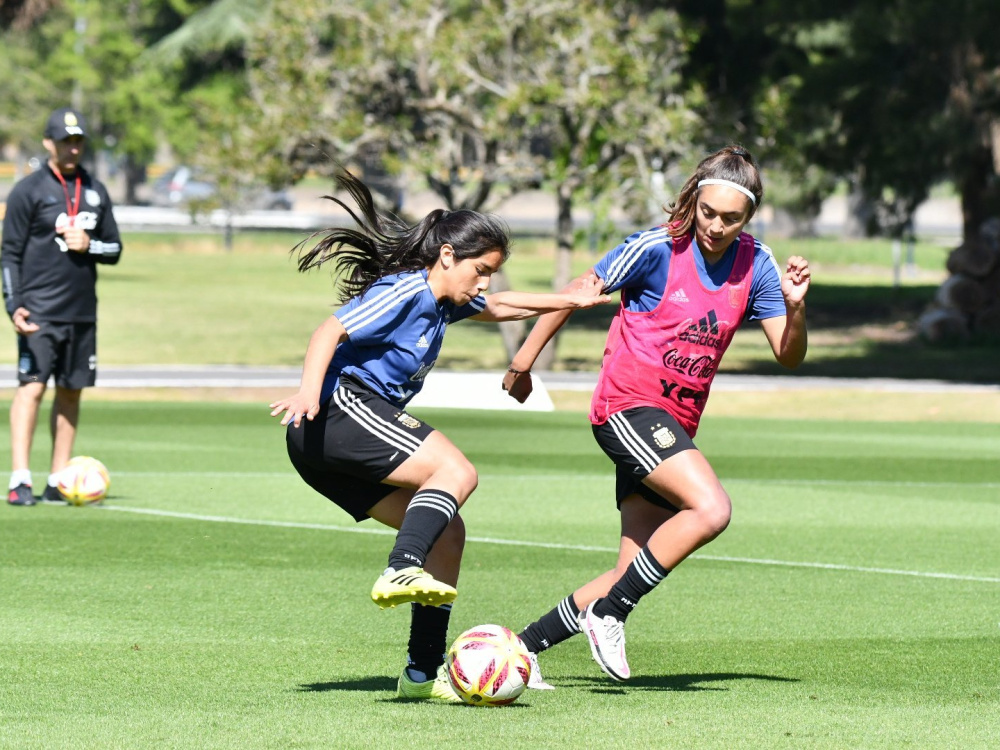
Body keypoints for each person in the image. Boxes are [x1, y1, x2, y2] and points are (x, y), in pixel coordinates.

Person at [268, 168, 610, 702]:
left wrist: (571, 301)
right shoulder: (406, 289)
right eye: (480, 270)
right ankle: (402, 567)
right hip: (335, 412)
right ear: (446, 255)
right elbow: (329, 330)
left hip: (325, 447)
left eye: (491, 272)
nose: (484, 283)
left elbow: (502, 305)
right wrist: (310, 391)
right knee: (456, 471)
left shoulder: (447, 302)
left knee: (448, 532)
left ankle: (421, 675)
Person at [502, 145, 810, 686]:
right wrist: (523, 364)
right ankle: (610, 614)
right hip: (627, 408)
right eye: (708, 212)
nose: (715, 225)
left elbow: (789, 354)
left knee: (630, 569)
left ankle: (518, 649)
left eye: (730, 218)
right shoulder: (655, 247)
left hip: (675, 426)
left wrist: (795, 306)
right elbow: (577, 292)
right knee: (711, 509)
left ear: (749, 217)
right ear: (694, 200)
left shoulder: (756, 264)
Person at [2, 107, 123, 507]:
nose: (73, 148)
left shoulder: (95, 189)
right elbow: (9, 255)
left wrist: (91, 246)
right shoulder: (28, 191)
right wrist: (13, 305)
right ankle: (20, 478)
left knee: (71, 393)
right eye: (66, 141)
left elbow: (115, 248)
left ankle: (58, 479)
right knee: (31, 389)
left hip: (82, 312)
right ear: (48, 143)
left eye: (79, 141)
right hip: (38, 310)